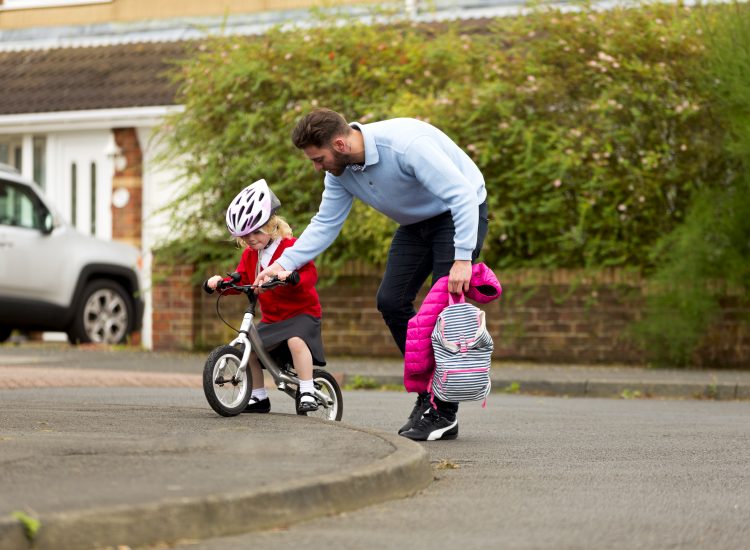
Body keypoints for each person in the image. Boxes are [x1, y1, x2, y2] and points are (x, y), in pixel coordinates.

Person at [254, 108, 488, 441]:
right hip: (414, 225)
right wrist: (283, 264)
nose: (317, 167)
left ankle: (443, 411)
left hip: (458, 214)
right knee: (391, 302)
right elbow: (326, 223)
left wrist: (462, 257)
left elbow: (462, 194)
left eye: (318, 159)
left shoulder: (407, 145)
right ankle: (429, 391)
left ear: (340, 144)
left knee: (444, 312)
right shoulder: (339, 173)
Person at [206, 179, 326, 414]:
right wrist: (220, 283)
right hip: (273, 319)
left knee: (295, 341)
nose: (251, 239)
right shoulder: (251, 255)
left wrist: (292, 276)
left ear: (271, 225)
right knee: (248, 346)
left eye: (256, 232)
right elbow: (241, 279)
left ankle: (308, 388)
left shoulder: (291, 247)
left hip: (302, 314)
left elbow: (310, 274)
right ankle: (258, 396)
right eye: (245, 236)